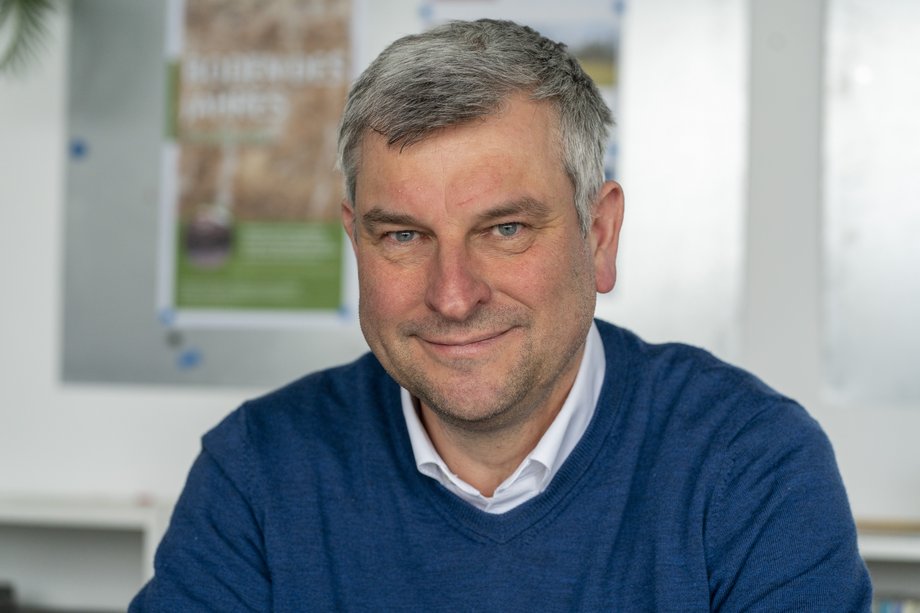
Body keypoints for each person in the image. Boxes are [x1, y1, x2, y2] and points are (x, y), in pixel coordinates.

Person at [131, 19, 871, 611]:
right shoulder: (258, 472)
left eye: (505, 229)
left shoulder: (751, 466)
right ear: (354, 239)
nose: (454, 295)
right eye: (404, 235)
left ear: (600, 235)